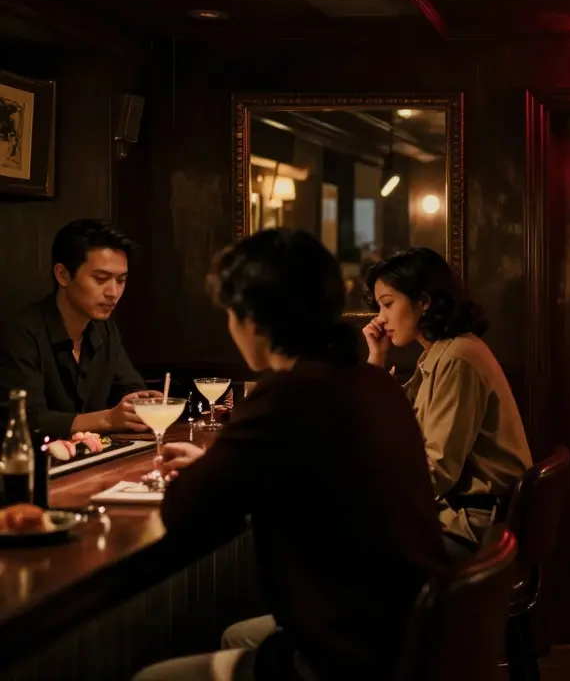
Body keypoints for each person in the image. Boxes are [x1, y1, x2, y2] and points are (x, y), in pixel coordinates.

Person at [133, 229, 449, 681]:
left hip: (349, 660)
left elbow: (186, 511)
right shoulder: (373, 383)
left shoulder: (288, 395)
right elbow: (317, 471)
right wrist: (226, 464)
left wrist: (223, 466)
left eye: (230, 314)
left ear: (254, 320)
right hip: (417, 636)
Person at [363, 248, 532, 559]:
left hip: (471, 528)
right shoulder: (439, 353)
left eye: (388, 304)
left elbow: (438, 470)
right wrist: (377, 359)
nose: (380, 318)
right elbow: (390, 421)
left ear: (424, 302)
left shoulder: (458, 358)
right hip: (453, 515)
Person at [0, 219, 159, 439]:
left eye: (121, 280)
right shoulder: (20, 333)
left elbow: (127, 386)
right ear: (62, 275)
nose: (113, 292)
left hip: (94, 462)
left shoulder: (105, 330)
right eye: (100, 279)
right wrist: (107, 419)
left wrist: (141, 402)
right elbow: (26, 419)